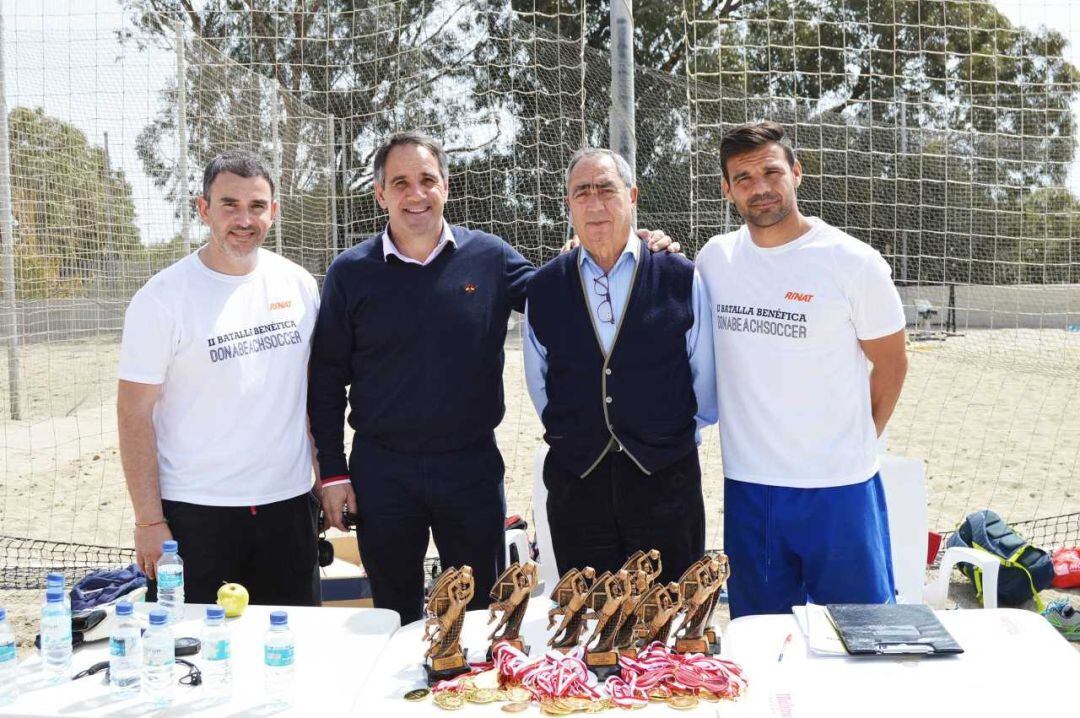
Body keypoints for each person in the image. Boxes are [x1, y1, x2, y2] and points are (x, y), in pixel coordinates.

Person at [308, 131, 675, 625]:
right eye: (400, 183)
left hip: (470, 469)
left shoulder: (490, 257)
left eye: (427, 180)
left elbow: (559, 294)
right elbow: (327, 380)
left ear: (447, 187)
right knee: (394, 612)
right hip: (383, 471)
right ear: (380, 194)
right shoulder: (349, 272)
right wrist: (333, 473)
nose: (416, 195)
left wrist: (635, 246)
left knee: (479, 613)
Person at [695, 121, 908, 618]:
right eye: (743, 177)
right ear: (727, 190)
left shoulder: (852, 262)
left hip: (838, 489)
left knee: (862, 634)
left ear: (796, 172)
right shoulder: (715, 259)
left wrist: (855, 438)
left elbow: (893, 366)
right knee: (763, 640)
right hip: (750, 488)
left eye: (771, 170)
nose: (760, 187)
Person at [117, 150, 321, 606]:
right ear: (203, 208)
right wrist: (149, 521)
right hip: (196, 513)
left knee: (293, 649)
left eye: (256, 206)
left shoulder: (299, 284)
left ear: (275, 210)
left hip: (287, 506)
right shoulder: (161, 299)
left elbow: (311, 395)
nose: (243, 219)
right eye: (229, 205)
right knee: (199, 660)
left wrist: (325, 479)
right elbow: (133, 413)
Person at [523, 147, 717, 587]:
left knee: (668, 621)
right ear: (568, 204)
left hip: (665, 481)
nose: (595, 204)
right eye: (582, 192)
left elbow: (702, 378)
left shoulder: (680, 276)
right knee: (589, 624)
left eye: (606, 190)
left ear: (632, 196)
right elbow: (541, 383)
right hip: (578, 484)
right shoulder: (545, 285)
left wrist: (662, 438)